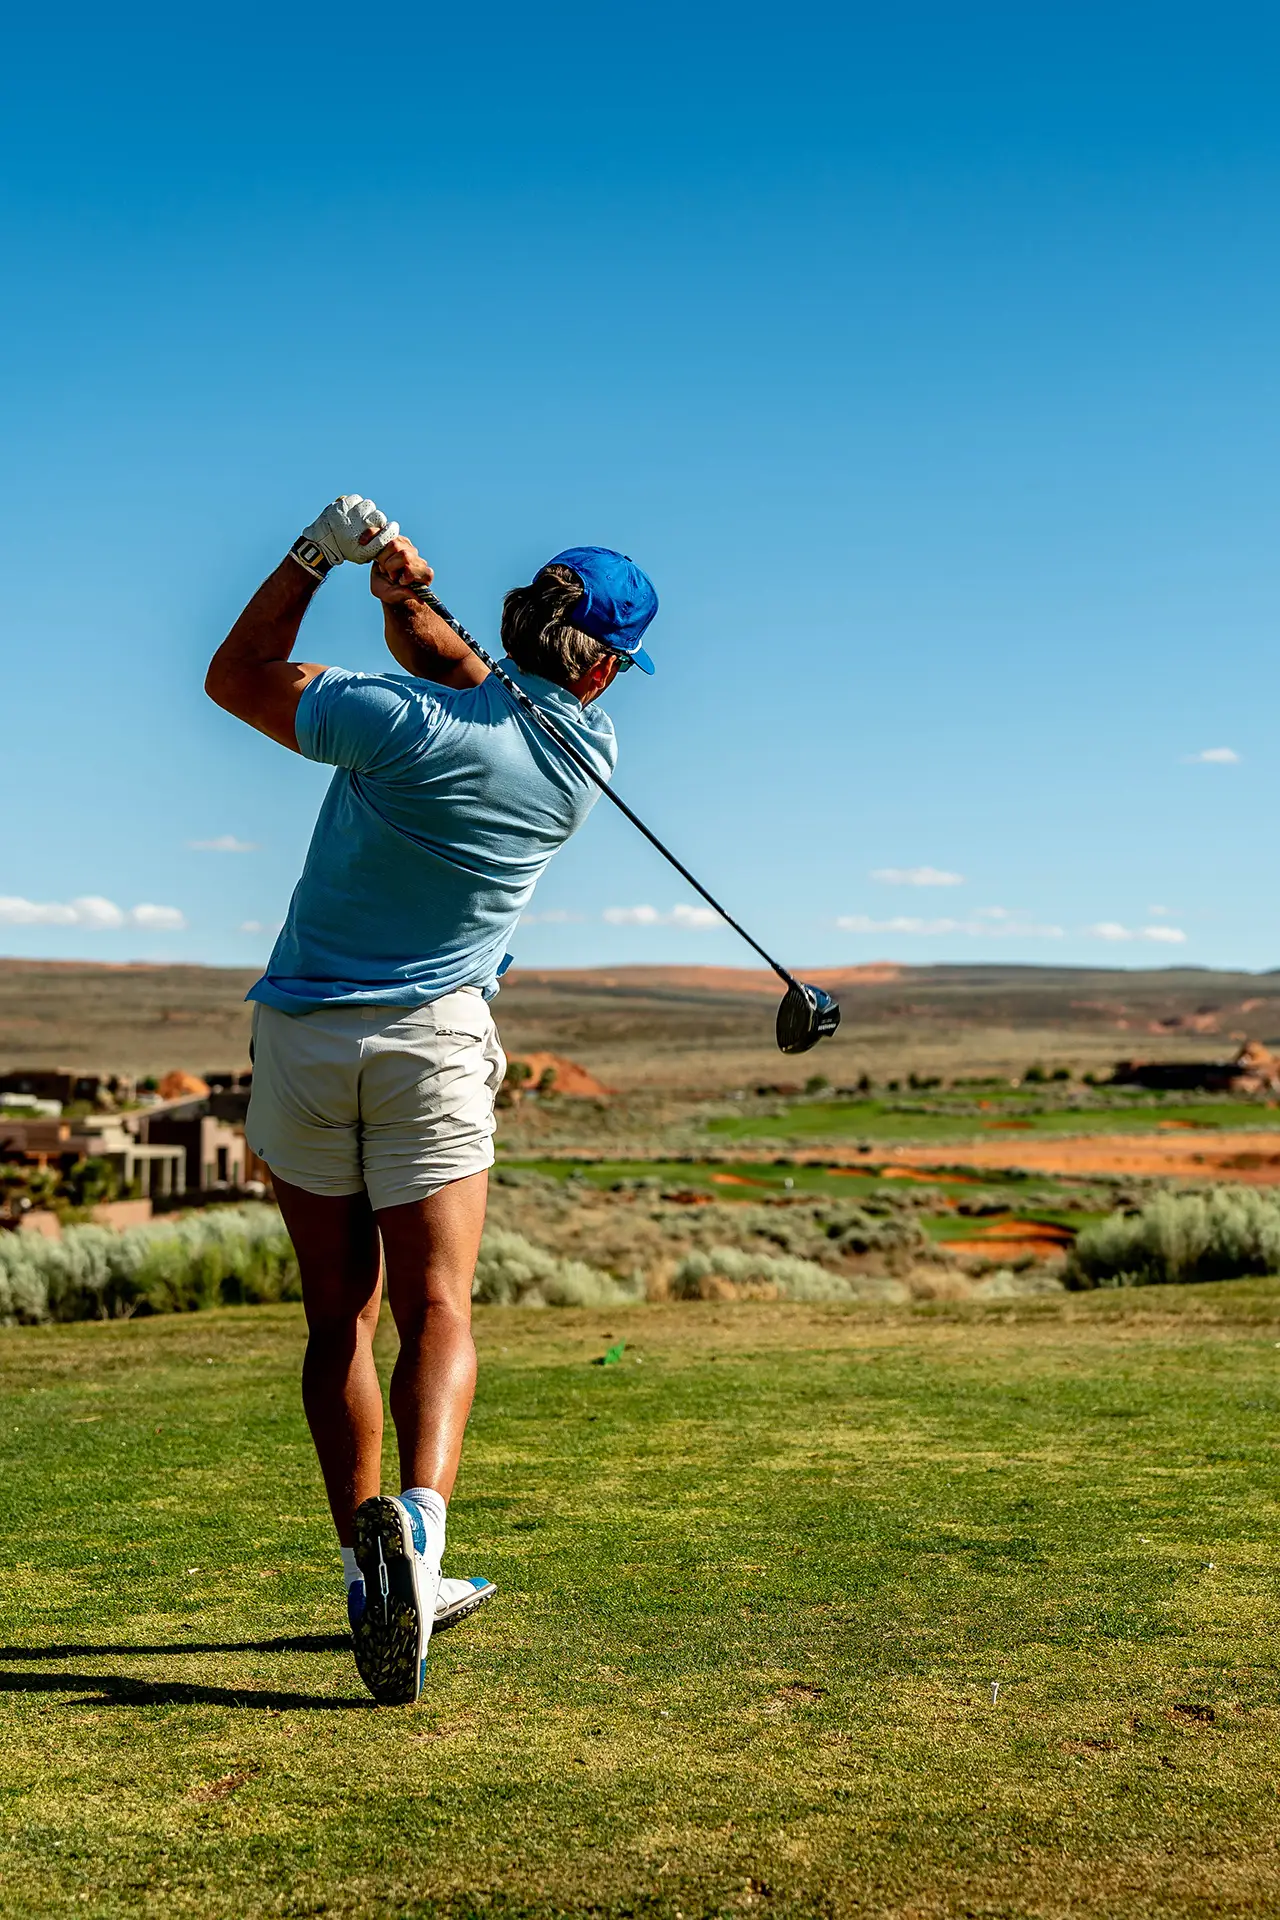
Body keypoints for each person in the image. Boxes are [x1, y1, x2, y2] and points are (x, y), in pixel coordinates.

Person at [205, 495, 658, 1705]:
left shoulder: (387, 719)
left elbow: (236, 676)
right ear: (604, 667)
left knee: (337, 1320)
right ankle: (419, 1528)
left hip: (303, 1036)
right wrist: (405, 597)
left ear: (515, 621)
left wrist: (318, 558)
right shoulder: (585, 759)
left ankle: (370, 1577)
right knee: (438, 1305)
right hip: (435, 1045)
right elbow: (478, 679)